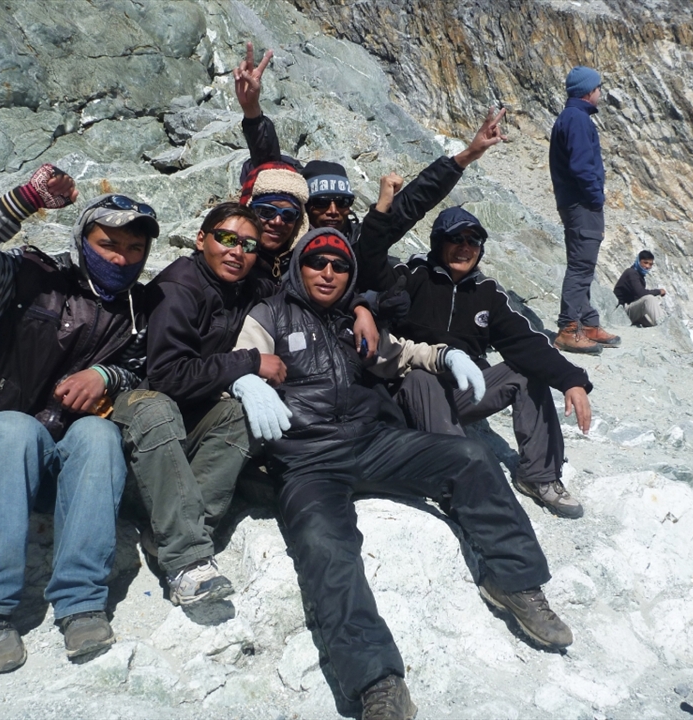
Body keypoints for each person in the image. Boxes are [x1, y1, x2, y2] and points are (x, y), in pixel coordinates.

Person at [233, 229, 572, 720]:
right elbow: (239, 362)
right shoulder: (268, 315)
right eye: (316, 262)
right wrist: (245, 382)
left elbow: (402, 354)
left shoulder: (352, 319)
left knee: (469, 457)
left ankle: (515, 583)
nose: (328, 273)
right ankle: (378, 683)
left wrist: (446, 355)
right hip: (307, 460)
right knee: (326, 547)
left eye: (339, 265)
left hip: (371, 442)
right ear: (298, 267)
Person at [0, 164, 158, 672]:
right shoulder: (29, 281)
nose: (121, 258)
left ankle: (81, 603)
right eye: (107, 244)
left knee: (99, 433)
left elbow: (147, 370)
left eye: (134, 249)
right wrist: (25, 199)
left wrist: (106, 375)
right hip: (0, 457)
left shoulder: (141, 310)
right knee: (17, 428)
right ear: (82, 240)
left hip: (70, 469)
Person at [111, 202, 379, 606]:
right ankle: (186, 561)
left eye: (249, 245)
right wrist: (248, 363)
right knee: (159, 409)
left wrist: (361, 307)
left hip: (196, 408)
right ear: (201, 239)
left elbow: (305, 290)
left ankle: (174, 529)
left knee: (247, 414)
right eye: (227, 239)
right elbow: (167, 375)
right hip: (146, 403)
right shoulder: (180, 286)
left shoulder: (247, 284)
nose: (238, 251)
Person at [357, 176, 593, 519]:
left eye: (473, 240)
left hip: (459, 396)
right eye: (455, 239)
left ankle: (538, 475)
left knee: (527, 372)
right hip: (406, 396)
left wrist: (572, 380)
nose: (464, 247)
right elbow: (369, 260)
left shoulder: (488, 294)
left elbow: (526, 342)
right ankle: (464, 479)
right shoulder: (410, 276)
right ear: (438, 242)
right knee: (420, 376)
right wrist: (382, 210)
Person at [549, 65, 621, 354]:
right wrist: (596, 198)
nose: (601, 92)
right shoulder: (577, 119)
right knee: (581, 266)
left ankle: (588, 323)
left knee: (583, 264)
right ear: (590, 91)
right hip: (582, 204)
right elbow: (581, 167)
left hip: (574, 203)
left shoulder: (570, 117)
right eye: (599, 87)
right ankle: (568, 328)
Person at [614, 250, 667, 326]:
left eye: (650, 264)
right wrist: (658, 291)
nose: (647, 266)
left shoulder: (639, 276)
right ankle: (664, 326)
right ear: (638, 261)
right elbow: (641, 293)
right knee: (649, 299)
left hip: (630, 309)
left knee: (652, 323)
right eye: (645, 263)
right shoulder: (631, 273)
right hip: (621, 311)